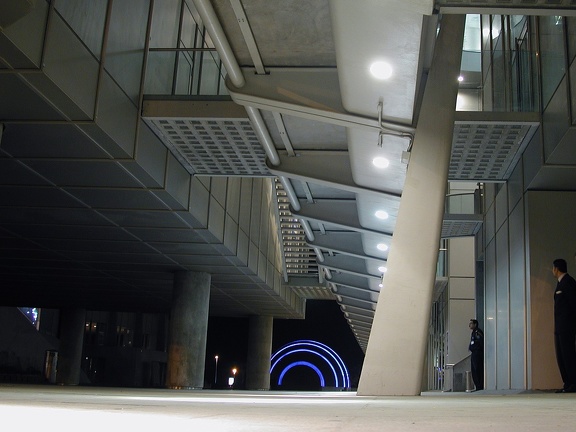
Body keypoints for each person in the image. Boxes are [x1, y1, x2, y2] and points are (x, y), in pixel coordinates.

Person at [551, 258, 576, 393]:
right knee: (561, 356)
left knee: (569, 355)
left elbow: (573, 304)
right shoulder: (560, 284)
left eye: (553, 268)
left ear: (556, 268)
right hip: (560, 327)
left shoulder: (569, 282)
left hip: (567, 327)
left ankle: (573, 382)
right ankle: (567, 383)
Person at [468, 319, 484, 391]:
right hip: (474, 353)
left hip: (477, 353)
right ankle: (477, 385)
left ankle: (479, 385)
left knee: (477, 369)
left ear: (475, 324)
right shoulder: (473, 332)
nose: (469, 325)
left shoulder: (477, 332)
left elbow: (480, 342)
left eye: (471, 323)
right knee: (474, 369)